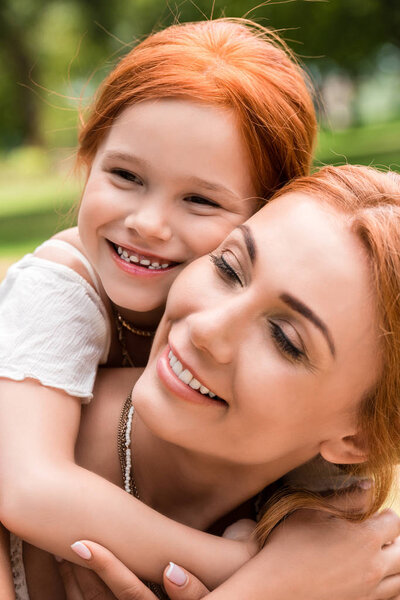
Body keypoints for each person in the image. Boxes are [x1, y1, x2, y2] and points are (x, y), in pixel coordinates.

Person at [0, 16, 317, 594]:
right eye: (125, 175)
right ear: (88, 160)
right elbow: (27, 487)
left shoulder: (258, 328)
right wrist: (247, 570)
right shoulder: (62, 285)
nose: (147, 224)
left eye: (198, 199)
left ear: (268, 216)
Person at [6, 164, 400, 600]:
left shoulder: (346, 569)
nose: (207, 330)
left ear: (357, 439)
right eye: (229, 269)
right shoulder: (16, 438)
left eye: (284, 339)